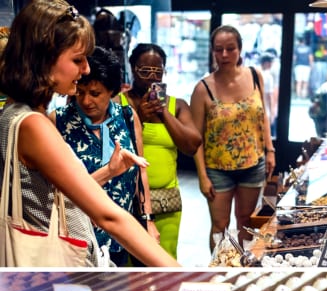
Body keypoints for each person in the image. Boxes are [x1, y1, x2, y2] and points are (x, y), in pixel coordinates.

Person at [0, 0, 178, 267]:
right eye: (77, 59)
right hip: (52, 273)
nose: (84, 69)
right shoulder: (33, 124)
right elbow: (109, 216)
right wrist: (179, 274)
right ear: (45, 58)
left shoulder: (13, 112)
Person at [53, 46, 158, 267]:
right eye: (80, 92)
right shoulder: (59, 121)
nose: (86, 101)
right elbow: (57, 190)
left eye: (95, 93)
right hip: (76, 235)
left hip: (120, 234)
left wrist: (148, 220)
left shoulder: (128, 117)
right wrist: (109, 171)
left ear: (113, 91)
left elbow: (141, 171)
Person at [190, 25, 275, 250]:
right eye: (219, 49)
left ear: (240, 49)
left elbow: (262, 115)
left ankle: (243, 266)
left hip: (253, 163)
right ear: (213, 51)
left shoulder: (256, 76)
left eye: (230, 48)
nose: (225, 55)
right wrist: (202, 176)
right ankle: (219, 267)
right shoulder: (202, 89)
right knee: (220, 225)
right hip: (217, 169)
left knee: (246, 221)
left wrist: (270, 149)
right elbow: (195, 137)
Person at [122, 43, 201, 259]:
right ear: (132, 68)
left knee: (165, 259)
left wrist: (163, 112)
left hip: (166, 201)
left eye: (158, 71)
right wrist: (139, 116)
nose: (151, 77)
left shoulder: (177, 106)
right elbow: (113, 144)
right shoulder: (119, 103)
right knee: (129, 264)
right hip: (127, 200)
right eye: (144, 71)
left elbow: (192, 145)